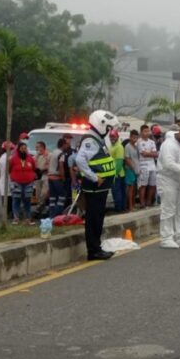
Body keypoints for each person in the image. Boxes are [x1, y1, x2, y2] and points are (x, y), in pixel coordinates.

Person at [75, 110, 120, 261]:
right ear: (101, 125)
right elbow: (80, 161)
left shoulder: (96, 139)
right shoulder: (90, 140)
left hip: (100, 188)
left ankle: (97, 247)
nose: (109, 131)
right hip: (94, 187)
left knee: (98, 217)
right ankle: (93, 250)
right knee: (93, 218)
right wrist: (94, 177)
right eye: (108, 128)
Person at [9, 142, 36, 225]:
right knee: (16, 200)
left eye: (25, 148)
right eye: (22, 148)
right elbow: (9, 169)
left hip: (28, 183)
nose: (24, 150)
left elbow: (33, 168)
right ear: (18, 149)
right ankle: (16, 218)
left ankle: (28, 218)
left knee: (27, 200)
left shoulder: (30, 158)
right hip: (17, 182)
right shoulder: (13, 159)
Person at [137, 124, 159, 208]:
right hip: (143, 166)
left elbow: (155, 154)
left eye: (148, 131)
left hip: (152, 165)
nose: (147, 133)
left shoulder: (152, 142)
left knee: (152, 185)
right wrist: (151, 153)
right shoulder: (139, 142)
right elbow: (143, 154)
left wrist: (149, 153)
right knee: (143, 185)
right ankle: (142, 203)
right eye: (145, 131)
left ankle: (149, 202)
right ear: (141, 132)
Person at [47, 138, 67, 218]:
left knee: (52, 198)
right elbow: (61, 166)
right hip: (57, 178)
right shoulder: (61, 154)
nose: (67, 146)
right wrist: (63, 177)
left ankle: (51, 215)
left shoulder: (53, 152)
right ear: (63, 144)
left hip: (50, 177)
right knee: (62, 196)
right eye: (66, 144)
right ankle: (57, 214)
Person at [109, 129, 126, 212]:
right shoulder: (112, 146)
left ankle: (119, 209)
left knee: (117, 192)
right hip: (114, 173)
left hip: (117, 174)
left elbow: (119, 162)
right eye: (110, 136)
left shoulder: (119, 147)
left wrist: (115, 174)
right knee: (118, 192)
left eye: (113, 136)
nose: (112, 138)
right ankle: (121, 208)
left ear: (117, 137)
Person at [123, 130, 140, 212]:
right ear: (130, 137)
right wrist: (134, 169)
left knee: (134, 189)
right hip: (130, 170)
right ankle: (130, 207)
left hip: (135, 170)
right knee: (130, 189)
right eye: (133, 137)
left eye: (136, 137)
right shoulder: (127, 146)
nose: (135, 139)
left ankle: (133, 204)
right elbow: (127, 159)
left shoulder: (136, 147)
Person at [33, 141, 50, 215]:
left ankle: (37, 209)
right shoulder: (35, 157)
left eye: (38, 147)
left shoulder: (49, 155)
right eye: (36, 147)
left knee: (44, 193)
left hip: (46, 175)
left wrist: (43, 169)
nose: (36, 149)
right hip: (38, 177)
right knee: (38, 194)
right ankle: (41, 211)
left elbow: (50, 166)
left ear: (43, 147)